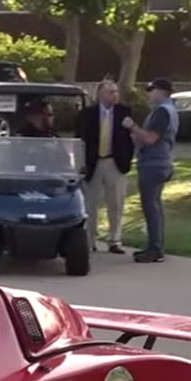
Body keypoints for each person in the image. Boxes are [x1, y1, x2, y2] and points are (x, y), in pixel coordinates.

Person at [76, 80, 135, 253]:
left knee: (116, 203)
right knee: (90, 205)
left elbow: (130, 139)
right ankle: (89, 240)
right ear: (100, 94)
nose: (114, 95)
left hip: (115, 163)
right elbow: (80, 140)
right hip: (93, 163)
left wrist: (127, 160)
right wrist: (81, 163)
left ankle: (114, 240)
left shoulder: (124, 112)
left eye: (116, 91)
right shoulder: (88, 114)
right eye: (110, 92)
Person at [129, 78, 179, 262]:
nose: (149, 94)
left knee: (151, 207)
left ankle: (155, 249)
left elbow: (151, 138)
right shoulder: (171, 110)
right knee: (155, 207)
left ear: (162, 92)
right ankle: (155, 246)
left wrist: (133, 127)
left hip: (153, 163)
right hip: (162, 161)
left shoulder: (162, 112)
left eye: (152, 90)